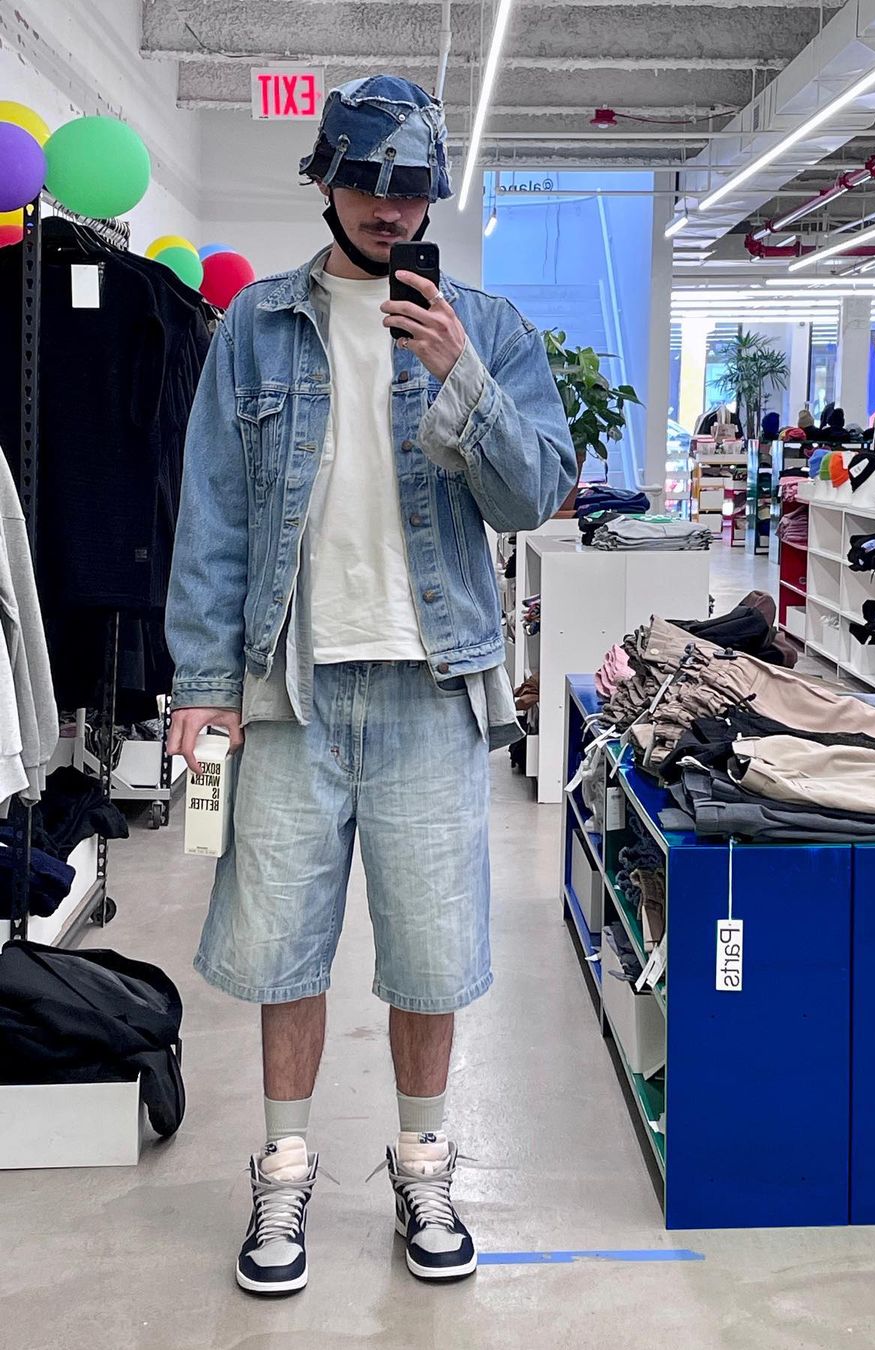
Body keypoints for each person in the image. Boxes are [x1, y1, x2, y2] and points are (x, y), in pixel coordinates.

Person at [165, 75, 576, 1294]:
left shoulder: (486, 326)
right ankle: (285, 1172)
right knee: (282, 950)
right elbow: (215, 515)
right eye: (367, 183)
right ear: (327, 180)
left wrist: (461, 379)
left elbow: (534, 495)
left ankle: (423, 1163)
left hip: (430, 688)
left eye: (411, 191)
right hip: (287, 690)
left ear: (434, 197)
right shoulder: (254, 326)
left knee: (432, 954)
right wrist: (202, 683)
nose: (390, 211)